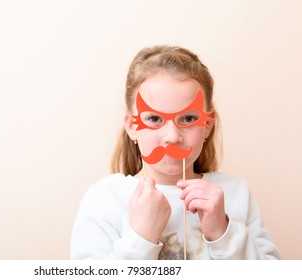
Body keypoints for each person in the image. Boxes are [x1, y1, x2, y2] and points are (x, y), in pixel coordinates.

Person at [70, 45, 280, 259]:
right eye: (154, 119)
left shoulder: (236, 194)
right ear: (132, 127)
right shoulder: (105, 199)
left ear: (207, 125)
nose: (172, 136)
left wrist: (223, 233)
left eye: (188, 119)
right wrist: (142, 237)